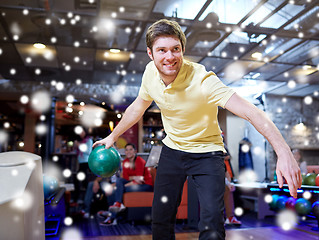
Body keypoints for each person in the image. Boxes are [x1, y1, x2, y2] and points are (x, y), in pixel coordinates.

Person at [93, 19, 301, 239]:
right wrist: (113, 136)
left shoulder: (203, 80)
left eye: (176, 49)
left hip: (207, 153)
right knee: (161, 217)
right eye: (161, 50)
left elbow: (252, 112)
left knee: (212, 220)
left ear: (183, 49)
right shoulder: (149, 74)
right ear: (150, 53)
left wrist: (284, 152)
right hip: (172, 151)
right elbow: (138, 107)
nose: (169, 57)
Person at [100, 143, 153, 226]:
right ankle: (114, 210)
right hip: (136, 183)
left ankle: (113, 217)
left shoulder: (140, 161)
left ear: (135, 151)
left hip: (146, 185)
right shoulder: (125, 162)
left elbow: (139, 180)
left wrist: (124, 185)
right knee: (118, 183)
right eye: (126, 150)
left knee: (122, 189)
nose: (128, 151)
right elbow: (125, 178)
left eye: (131, 149)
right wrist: (132, 178)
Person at [223, 154, 241, 226]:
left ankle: (230, 217)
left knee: (229, 187)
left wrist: (229, 183)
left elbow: (226, 172)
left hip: (220, 180)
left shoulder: (220, 162)